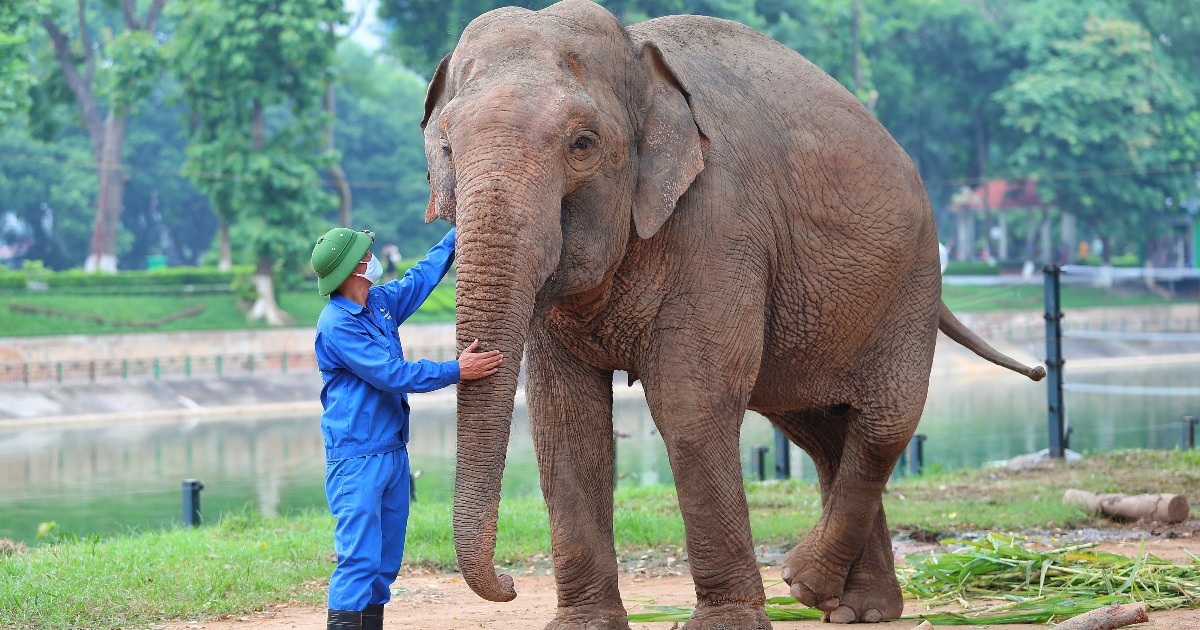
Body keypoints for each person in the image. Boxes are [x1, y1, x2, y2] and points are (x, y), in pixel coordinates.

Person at [310, 227, 502, 630]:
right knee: (359, 560)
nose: (372, 259)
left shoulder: (378, 303)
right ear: (352, 270)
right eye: (365, 256)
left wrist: (456, 233)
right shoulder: (337, 325)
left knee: (383, 565)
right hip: (357, 458)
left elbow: (420, 278)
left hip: (393, 450)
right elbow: (390, 374)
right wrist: (456, 370)